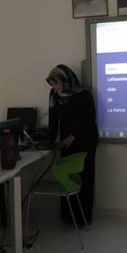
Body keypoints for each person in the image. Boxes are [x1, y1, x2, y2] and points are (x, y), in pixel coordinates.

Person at [47, 64, 98, 225]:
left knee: (83, 178)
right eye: (52, 85)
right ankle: (68, 217)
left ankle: (82, 219)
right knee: (67, 177)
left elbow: (89, 120)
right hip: (66, 142)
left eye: (56, 84)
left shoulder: (84, 95)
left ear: (66, 80)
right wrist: (49, 140)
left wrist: (72, 137)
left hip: (85, 140)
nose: (54, 88)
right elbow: (53, 118)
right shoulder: (54, 95)